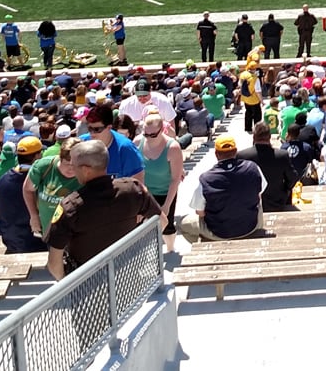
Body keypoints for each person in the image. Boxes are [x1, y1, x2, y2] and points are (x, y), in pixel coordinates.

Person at [46, 140, 158, 279]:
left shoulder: (70, 207)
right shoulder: (133, 189)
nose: (73, 170)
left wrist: (67, 283)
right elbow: (161, 222)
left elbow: (54, 262)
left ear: (86, 169)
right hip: (128, 276)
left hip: (87, 282)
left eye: (74, 165)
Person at [181, 135, 266, 242]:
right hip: (250, 227)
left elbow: (200, 212)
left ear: (216, 154)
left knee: (184, 224)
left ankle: (208, 243)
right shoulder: (253, 168)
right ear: (235, 151)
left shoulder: (205, 179)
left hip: (220, 232)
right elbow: (260, 193)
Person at [134, 119, 183, 249]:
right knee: (140, 224)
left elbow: (175, 179)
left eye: (153, 135)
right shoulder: (137, 142)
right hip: (145, 192)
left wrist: (167, 205)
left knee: (167, 225)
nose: (149, 138)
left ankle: (170, 248)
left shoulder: (172, 147)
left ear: (161, 130)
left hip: (165, 191)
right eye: (146, 134)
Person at [0, 136, 47, 254]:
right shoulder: (41, 180)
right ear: (37, 156)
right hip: (39, 244)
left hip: (12, 241)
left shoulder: (3, 179)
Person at [237, 122, 298, 213]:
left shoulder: (242, 156)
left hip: (250, 205)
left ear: (254, 137)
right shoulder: (282, 155)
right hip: (277, 203)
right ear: (269, 137)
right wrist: (285, 190)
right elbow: (292, 178)